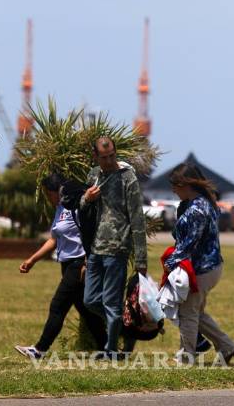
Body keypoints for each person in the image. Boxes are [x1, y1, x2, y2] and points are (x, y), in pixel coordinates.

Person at [14, 173, 107, 360]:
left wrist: (88, 262)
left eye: (49, 194)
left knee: (58, 306)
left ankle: (39, 349)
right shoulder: (60, 209)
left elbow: (92, 232)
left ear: (56, 191)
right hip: (66, 263)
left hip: (79, 263)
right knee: (86, 310)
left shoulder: (77, 206)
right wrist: (32, 260)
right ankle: (109, 350)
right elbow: (54, 239)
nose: (48, 198)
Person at [165, 162, 234, 365]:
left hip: (202, 269)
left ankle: (186, 357)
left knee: (188, 312)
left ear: (185, 184)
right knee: (196, 312)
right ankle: (227, 347)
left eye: (175, 185)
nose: (173, 190)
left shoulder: (198, 209)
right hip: (209, 267)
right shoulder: (199, 202)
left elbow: (189, 243)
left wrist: (170, 263)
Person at [81, 137, 147, 358]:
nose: (109, 161)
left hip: (118, 248)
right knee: (90, 300)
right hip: (95, 248)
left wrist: (141, 260)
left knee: (111, 301)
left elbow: (137, 218)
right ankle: (122, 326)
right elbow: (83, 209)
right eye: (104, 157)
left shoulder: (127, 177)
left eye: (112, 156)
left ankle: (111, 350)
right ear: (95, 156)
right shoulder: (93, 175)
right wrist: (86, 198)